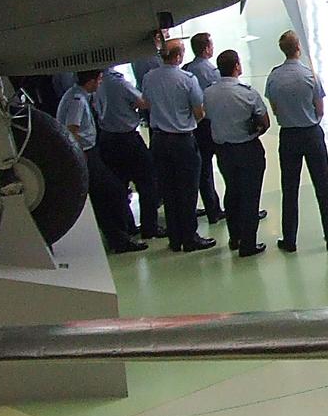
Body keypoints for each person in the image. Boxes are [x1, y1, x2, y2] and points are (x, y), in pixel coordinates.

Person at [265, 30, 328, 252]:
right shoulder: (310, 76)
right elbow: (320, 109)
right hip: (311, 134)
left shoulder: (273, 77)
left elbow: (274, 108)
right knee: (323, 186)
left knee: (289, 188)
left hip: (288, 136)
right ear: (298, 48)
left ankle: (289, 239)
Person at [57, 71, 146, 255]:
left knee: (105, 196)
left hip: (89, 151)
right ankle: (120, 239)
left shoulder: (75, 95)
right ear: (90, 81)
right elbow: (72, 129)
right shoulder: (78, 100)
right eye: (98, 80)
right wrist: (78, 157)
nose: (100, 83)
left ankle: (118, 235)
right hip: (86, 153)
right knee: (112, 192)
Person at [144, 38, 216, 253]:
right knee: (187, 190)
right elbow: (199, 112)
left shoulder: (149, 77)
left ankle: (175, 237)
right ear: (177, 56)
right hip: (182, 140)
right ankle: (189, 235)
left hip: (158, 139)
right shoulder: (187, 79)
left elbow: (146, 103)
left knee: (168, 189)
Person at [204, 49, 271, 257]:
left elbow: (205, 116)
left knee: (232, 192)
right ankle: (248, 243)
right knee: (250, 196)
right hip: (247, 149)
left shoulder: (209, 93)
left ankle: (235, 237)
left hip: (223, 151)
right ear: (237, 67)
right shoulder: (247, 93)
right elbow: (265, 122)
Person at [94, 63, 164, 239]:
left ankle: (128, 226)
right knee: (148, 181)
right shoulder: (118, 82)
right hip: (127, 138)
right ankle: (150, 227)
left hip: (107, 137)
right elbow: (143, 102)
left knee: (119, 185)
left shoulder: (97, 82)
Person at [185, 31, 226, 223]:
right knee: (227, 165)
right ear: (207, 48)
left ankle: (212, 209)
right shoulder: (213, 73)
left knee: (204, 170)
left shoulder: (187, 70)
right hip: (212, 123)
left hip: (195, 126)